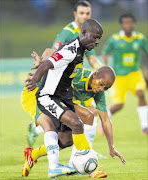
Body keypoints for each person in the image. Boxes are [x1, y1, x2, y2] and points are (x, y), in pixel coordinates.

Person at [23, 19, 126, 178]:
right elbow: (51, 60)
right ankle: (70, 168)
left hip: (62, 98)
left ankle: (34, 154)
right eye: (95, 37)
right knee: (77, 121)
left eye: (99, 38)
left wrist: (111, 146)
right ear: (84, 33)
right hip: (47, 95)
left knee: (66, 141)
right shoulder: (72, 52)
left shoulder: (81, 51)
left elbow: (106, 120)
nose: (97, 41)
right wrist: (36, 77)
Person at [28, 0, 103, 150]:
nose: (84, 16)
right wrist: (42, 63)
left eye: (87, 13)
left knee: (81, 120)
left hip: (74, 82)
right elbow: (54, 52)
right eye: (81, 13)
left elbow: (93, 59)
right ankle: (86, 155)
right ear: (75, 14)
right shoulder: (68, 32)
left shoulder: (91, 34)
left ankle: (84, 155)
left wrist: (104, 74)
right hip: (61, 83)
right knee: (83, 116)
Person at [102, 13, 148, 135]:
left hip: (135, 74)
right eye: (126, 23)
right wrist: (106, 69)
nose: (129, 25)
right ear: (122, 25)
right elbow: (105, 53)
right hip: (119, 77)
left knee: (141, 93)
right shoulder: (115, 39)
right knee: (118, 105)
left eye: (131, 22)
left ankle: (145, 126)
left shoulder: (140, 38)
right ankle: (103, 121)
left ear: (134, 24)